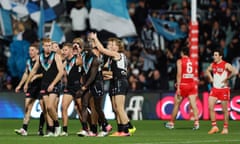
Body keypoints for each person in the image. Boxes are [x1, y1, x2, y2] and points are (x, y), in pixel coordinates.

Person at [89, 32, 136, 137]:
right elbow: (117, 71)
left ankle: (126, 130)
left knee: (119, 108)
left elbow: (102, 50)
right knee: (115, 108)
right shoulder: (114, 58)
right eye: (111, 44)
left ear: (119, 47)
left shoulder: (117, 54)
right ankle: (121, 130)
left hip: (119, 82)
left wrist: (95, 39)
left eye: (114, 45)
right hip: (116, 81)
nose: (112, 46)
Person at [24, 38, 64, 137]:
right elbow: (33, 71)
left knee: (50, 106)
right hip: (44, 85)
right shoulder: (40, 57)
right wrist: (26, 83)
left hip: (54, 84)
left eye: (49, 45)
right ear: (43, 46)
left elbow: (61, 72)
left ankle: (57, 125)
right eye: (46, 46)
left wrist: (53, 84)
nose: (48, 47)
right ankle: (50, 130)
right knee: (45, 109)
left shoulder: (56, 56)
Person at [164, 47, 200, 130]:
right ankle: (196, 123)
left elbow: (179, 74)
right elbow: (193, 73)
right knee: (193, 104)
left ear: (182, 53)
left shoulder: (180, 61)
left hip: (183, 85)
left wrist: (178, 87)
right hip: (191, 85)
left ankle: (171, 123)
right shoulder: (193, 61)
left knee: (176, 104)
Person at [14, 44, 44, 136]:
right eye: (29, 50)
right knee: (27, 106)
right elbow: (26, 73)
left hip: (41, 86)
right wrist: (20, 85)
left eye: (32, 50)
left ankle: (41, 129)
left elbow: (46, 73)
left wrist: (37, 76)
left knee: (44, 108)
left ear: (37, 51)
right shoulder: (28, 61)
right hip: (32, 87)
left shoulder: (42, 60)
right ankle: (24, 129)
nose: (30, 52)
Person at [205, 49, 236, 134]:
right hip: (215, 89)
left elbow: (235, 71)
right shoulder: (213, 64)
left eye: (216, 55)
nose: (214, 57)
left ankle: (225, 128)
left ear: (220, 56)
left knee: (224, 110)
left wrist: (228, 78)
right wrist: (211, 78)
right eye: (213, 55)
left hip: (223, 90)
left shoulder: (226, 65)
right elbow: (207, 71)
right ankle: (214, 127)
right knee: (210, 107)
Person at [60, 43, 83, 136]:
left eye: (65, 50)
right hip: (69, 87)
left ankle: (87, 127)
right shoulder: (65, 62)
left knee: (81, 109)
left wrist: (78, 52)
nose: (63, 52)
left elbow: (83, 62)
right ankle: (64, 130)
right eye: (63, 50)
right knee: (63, 107)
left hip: (78, 87)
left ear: (70, 50)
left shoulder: (76, 60)